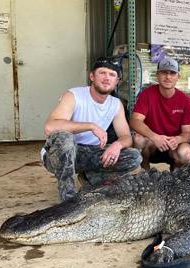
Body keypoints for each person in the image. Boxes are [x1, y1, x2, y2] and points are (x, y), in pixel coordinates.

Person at [42, 57, 142, 201]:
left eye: (112, 75)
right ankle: (68, 199)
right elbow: (50, 127)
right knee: (65, 138)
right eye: (102, 73)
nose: (107, 78)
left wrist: (117, 145)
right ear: (92, 76)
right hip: (58, 156)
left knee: (133, 156)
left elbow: (126, 136)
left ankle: (90, 179)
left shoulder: (115, 104)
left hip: (88, 153)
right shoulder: (74, 95)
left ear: (117, 81)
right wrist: (90, 126)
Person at [130, 57, 190, 172]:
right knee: (138, 139)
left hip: (173, 146)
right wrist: (155, 137)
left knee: (186, 154)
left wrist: (178, 139)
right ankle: (145, 172)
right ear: (157, 75)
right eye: (164, 72)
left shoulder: (185, 100)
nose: (168, 77)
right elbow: (135, 121)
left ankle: (176, 173)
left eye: (172, 73)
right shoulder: (147, 94)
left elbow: (187, 133)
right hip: (152, 145)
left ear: (178, 77)